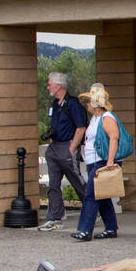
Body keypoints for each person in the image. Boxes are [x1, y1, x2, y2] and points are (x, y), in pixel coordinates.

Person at [72, 86, 123, 241]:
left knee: (91, 195)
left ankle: (85, 230)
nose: (87, 105)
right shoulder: (95, 118)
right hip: (93, 161)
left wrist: (110, 161)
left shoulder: (107, 117)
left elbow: (114, 138)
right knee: (102, 195)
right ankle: (111, 228)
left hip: (101, 161)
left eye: (89, 102)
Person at [38, 72, 87, 231]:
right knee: (53, 184)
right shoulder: (54, 105)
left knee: (76, 181)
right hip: (54, 147)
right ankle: (54, 217)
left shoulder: (73, 104)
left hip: (67, 146)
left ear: (59, 85)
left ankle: (94, 209)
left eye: (50, 84)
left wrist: (72, 148)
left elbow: (80, 128)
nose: (48, 87)